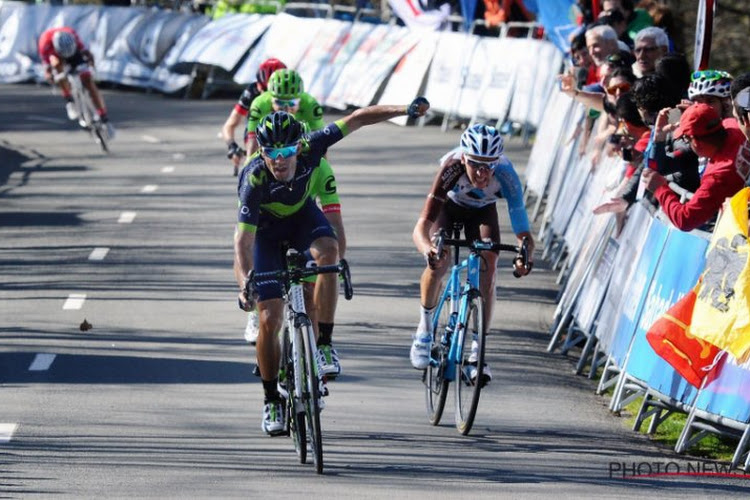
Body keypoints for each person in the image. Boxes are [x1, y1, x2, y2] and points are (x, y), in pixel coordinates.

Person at [235, 97, 430, 435]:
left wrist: (405, 110)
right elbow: (243, 242)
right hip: (265, 233)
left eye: (286, 154)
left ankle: (323, 344)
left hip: (301, 220)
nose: (279, 162)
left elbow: (357, 119)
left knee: (330, 252)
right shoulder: (253, 178)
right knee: (269, 318)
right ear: (262, 151)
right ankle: (270, 400)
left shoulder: (313, 146)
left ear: (299, 147)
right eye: (271, 154)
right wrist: (246, 285)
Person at [409, 124, 534, 381]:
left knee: (489, 261)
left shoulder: (507, 175)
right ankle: (424, 329)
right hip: (450, 207)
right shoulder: (451, 168)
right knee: (439, 262)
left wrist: (524, 257)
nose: (482, 172)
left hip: (482, 211)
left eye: (489, 165)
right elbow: (420, 227)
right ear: (464, 157)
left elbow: (524, 234)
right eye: (476, 163)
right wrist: (428, 250)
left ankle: (478, 351)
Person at [641, 102, 748, 231]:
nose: (686, 142)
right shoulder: (733, 125)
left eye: (686, 138)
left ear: (696, 142)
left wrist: (660, 190)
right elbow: (661, 166)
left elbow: (685, 219)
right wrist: (659, 136)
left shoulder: (717, 178)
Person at [38, 26, 114, 138]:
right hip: (56, 55)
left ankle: (104, 118)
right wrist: (52, 76)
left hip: (74, 53)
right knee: (57, 66)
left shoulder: (73, 36)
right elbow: (47, 69)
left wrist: (90, 65)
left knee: (88, 81)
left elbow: (87, 54)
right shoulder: (45, 44)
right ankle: (69, 100)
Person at [222, 58, 286, 176]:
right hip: (258, 130)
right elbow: (229, 125)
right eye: (262, 89)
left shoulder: (291, 94)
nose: (265, 95)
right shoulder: (252, 91)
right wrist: (232, 146)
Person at [244, 69, 325, 157]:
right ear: (271, 99)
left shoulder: (310, 104)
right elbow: (252, 141)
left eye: (292, 103)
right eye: (280, 102)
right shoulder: (259, 104)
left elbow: (321, 142)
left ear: (299, 99)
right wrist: (248, 164)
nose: (286, 108)